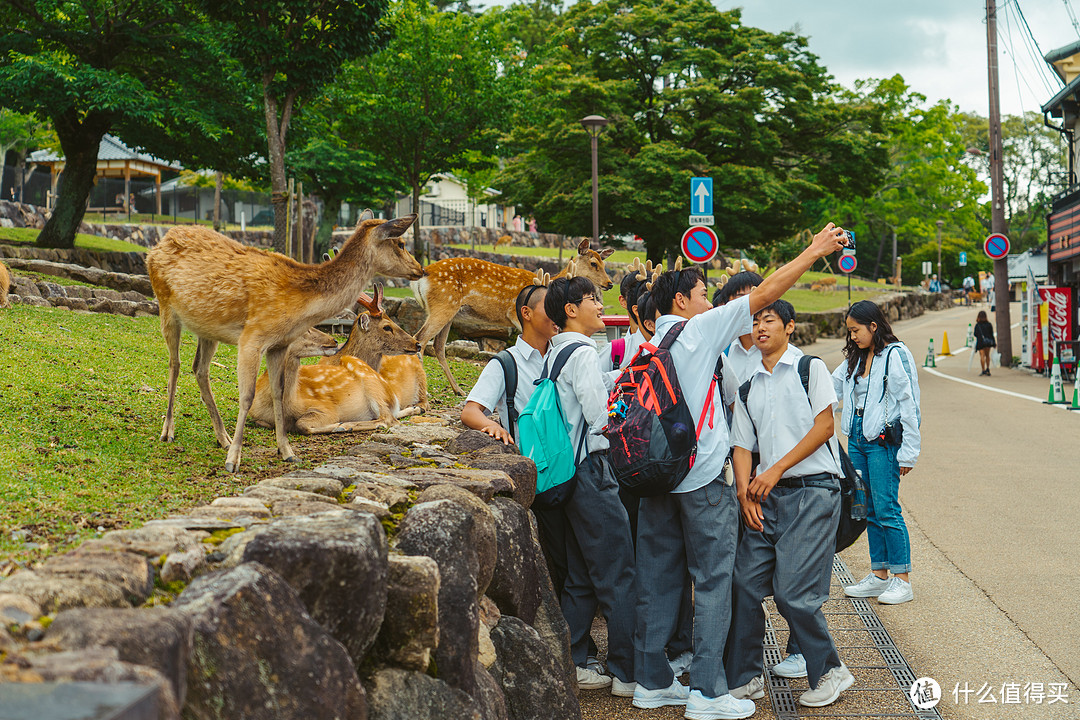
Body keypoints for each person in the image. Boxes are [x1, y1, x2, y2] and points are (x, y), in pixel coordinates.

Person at [630, 223, 848, 720]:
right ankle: (707, 691)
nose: (710, 301)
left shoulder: (646, 347)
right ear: (683, 301)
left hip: (653, 482)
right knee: (712, 582)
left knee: (658, 580)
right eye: (704, 294)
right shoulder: (699, 332)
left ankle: (651, 682)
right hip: (700, 483)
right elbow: (768, 291)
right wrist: (814, 250)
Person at [726, 299, 854, 709]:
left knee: (793, 593)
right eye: (756, 322)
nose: (761, 327)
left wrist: (775, 469)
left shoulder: (809, 368)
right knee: (743, 584)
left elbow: (825, 427)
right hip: (765, 496)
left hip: (814, 491)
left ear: (790, 327)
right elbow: (742, 445)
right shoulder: (747, 385)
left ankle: (831, 670)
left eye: (769, 320)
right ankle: (746, 678)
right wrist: (744, 491)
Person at [543, 276, 638, 698]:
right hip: (591, 472)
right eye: (592, 300)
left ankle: (573, 660)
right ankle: (627, 671)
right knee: (619, 573)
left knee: (581, 577)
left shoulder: (555, 350)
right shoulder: (581, 351)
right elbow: (601, 417)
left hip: (564, 474)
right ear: (569, 308)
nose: (600, 307)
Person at [834, 300, 921, 605]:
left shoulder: (896, 354)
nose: (853, 336)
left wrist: (910, 450)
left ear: (873, 326)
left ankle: (902, 579)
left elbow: (909, 402)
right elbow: (831, 387)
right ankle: (879, 574)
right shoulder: (856, 358)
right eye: (850, 331)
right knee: (866, 507)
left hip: (883, 439)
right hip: (857, 436)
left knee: (886, 507)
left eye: (856, 330)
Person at [974, 310, 996, 376]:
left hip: (980, 342)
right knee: (987, 356)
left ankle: (983, 370)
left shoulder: (977, 325)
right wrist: (994, 343)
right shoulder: (989, 324)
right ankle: (988, 369)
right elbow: (992, 334)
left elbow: (975, 334)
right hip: (988, 342)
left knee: (982, 356)